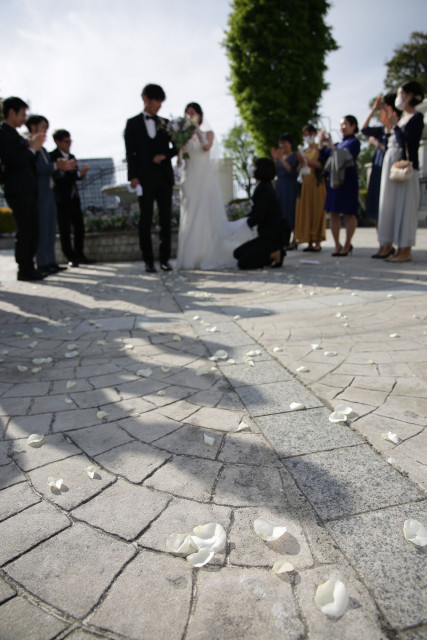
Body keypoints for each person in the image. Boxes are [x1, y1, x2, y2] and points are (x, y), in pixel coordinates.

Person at [176, 102, 255, 270]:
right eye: (187, 112)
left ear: (199, 115)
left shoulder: (208, 133)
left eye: (192, 112)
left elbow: (206, 147)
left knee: (204, 212)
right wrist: (181, 144)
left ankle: (205, 253)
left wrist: (196, 129)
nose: (189, 115)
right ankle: (189, 256)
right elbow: (181, 157)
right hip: (190, 177)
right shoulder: (183, 136)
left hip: (204, 178)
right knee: (190, 213)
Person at [124, 83, 177, 273]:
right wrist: (133, 177)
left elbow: (178, 147)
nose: (159, 106)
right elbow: (130, 153)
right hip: (144, 179)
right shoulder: (132, 123)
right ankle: (148, 260)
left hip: (164, 178)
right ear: (146, 100)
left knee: (165, 220)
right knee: (145, 220)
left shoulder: (167, 123)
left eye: (161, 103)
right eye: (156, 102)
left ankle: (164, 260)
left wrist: (166, 156)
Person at [377, 81, 424, 263]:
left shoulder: (416, 118)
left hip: (408, 170)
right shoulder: (402, 118)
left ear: (409, 95)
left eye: (400, 93)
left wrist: (395, 127)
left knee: (406, 209)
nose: (398, 98)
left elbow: (410, 142)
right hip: (396, 170)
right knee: (396, 208)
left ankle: (406, 250)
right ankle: (398, 248)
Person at [0, 96, 45, 281]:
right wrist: (31, 149)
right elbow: (15, 161)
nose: (24, 119)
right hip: (17, 190)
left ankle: (29, 266)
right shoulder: (3, 133)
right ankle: (24, 268)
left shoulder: (16, 135)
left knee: (33, 229)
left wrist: (31, 148)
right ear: (12, 112)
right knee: (25, 229)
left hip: (28, 189)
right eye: (22, 114)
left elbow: (28, 161)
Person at [26, 115, 73, 275]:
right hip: (39, 194)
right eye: (43, 127)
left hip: (50, 193)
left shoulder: (44, 149)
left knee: (51, 228)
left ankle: (50, 260)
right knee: (42, 229)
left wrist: (62, 168)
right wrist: (55, 165)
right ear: (33, 127)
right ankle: (42, 262)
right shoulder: (30, 146)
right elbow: (35, 168)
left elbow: (50, 170)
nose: (45, 131)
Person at [361, 93, 401, 259]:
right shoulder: (379, 130)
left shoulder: (394, 130)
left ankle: (389, 244)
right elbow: (363, 129)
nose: (380, 114)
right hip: (378, 173)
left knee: (386, 207)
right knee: (377, 209)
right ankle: (382, 244)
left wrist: (376, 143)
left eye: (382, 110)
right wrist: (374, 108)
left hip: (389, 172)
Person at [319, 116, 360, 256]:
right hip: (334, 182)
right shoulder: (337, 144)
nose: (342, 127)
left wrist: (332, 147)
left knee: (349, 213)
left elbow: (347, 157)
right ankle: (337, 244)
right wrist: (321, 142)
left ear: (353, 125)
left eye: (345, 124)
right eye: (341, 124)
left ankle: (348, 244)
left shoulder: (354, 142)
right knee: (333, 213)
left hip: (347, 181)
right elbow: (324, 158)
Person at [234, 158, 284, 269]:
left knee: (243, 263)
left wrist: (244, 222)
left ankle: (274, 254)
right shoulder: (264, 186)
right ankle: (276, 252)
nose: (253, 169)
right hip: (266, 235)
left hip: (270, 237)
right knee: (237, 253)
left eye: (255, 167)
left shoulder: (264, 189)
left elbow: (259, 215)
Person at [50, 129, 91, 267]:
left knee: (79, 226)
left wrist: (80, 173)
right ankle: (70, 256)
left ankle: (80, 254)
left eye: (70, 141)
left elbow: (74, 176)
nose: (69, 144)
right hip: (62, 198)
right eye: (66, 141)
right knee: (65, 229)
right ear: (57, 142)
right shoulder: (53, 156)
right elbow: (56, 178)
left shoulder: (72, 156)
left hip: (74, 197)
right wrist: (65, 170)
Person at [294, 125, 326, 252]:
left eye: (310, 133)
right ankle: (309, 242)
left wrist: (308, 161)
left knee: (316, 211)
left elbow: (322, 165)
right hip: (305, 185)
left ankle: (317, 241)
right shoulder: (304, 151)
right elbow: (297, 171)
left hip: (317, 184)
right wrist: (302, 162)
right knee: (306, 212)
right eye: (305, 134)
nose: (308, 136)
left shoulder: (319, 149)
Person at [270, 133, 297, 250]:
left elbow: (292, 171)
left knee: (291, 210)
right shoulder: (280, 158)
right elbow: (275, 172)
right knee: (281, 211)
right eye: (280, 142)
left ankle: (294, 240)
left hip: (290, 186)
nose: (282, 145)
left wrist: (281, 158)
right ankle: (283, 239)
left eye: (284, 142)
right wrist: (276, 160)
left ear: (290, 143)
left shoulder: (294, 156)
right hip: (280, 186)